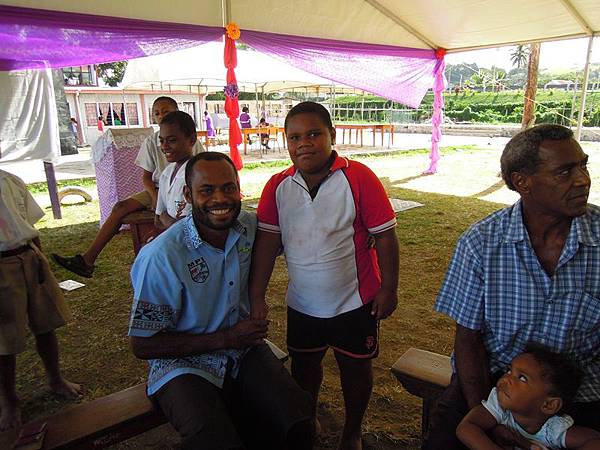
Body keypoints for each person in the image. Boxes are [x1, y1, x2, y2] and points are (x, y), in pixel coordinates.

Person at [426, 124, 600, 450]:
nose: (582, 180)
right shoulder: (481, 244)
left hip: (581, 390)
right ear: (523, 182)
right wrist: (488, 412)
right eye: (564, 171)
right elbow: (468, 340)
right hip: (495, 383)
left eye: (583, 165)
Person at [128, 151, 313, 450]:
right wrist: (226, 337)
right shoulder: (162, 257)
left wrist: (360, 234)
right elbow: (143, 345)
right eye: (206, 190)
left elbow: (299, 234)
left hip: (241, 352)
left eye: (228, 187)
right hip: (182, 364)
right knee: (215, 439)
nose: (220, 199)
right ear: (188, 195)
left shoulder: (249, 228)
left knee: (298, 419)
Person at [249, 101, 399, 450]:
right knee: (304, 367)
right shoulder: (277, 186)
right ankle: (307, 419)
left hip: (354, 302)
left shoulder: (359, 177)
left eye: (314, 134)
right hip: (302, 303)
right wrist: (256, 296)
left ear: (331, 135)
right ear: (285, 142)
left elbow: (386, 236)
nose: (305, 143)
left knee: (356, 370)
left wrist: (388, 289)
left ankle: (352, 431)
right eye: (295, 137)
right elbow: (267, 245)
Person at [52, 97, 204, 278]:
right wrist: (157, 199)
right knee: (120, 208)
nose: (161, 116)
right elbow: (147, 178)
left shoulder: (191, 147)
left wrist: (164, 212)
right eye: (157, 113)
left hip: (186, 186)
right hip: (158, 187)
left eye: (166, 111)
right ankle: (87, 260)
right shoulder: (153, 145)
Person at [0, 169, 81, 430]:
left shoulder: (11, 180)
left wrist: (40, 260)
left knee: (45, 323)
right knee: (4, 339)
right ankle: (9, 401)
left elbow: (30, 226)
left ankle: (55, 378)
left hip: (28, 255)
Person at [457, 344, 600, 450]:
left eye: (522, 378)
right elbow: (467, 427)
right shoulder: (500, 407)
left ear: (549, 405)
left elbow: (595, 440)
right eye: (508, 370)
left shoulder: (552, 430)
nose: (507, 379)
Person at [154, 110, 195, 229]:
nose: (164, 146)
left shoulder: (196, 174)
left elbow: (189, 228)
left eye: (172, 140)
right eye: (161, 141)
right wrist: (169, 221)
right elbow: (158, 218)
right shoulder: (166, 173)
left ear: (191, 140)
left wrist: (167, 220)